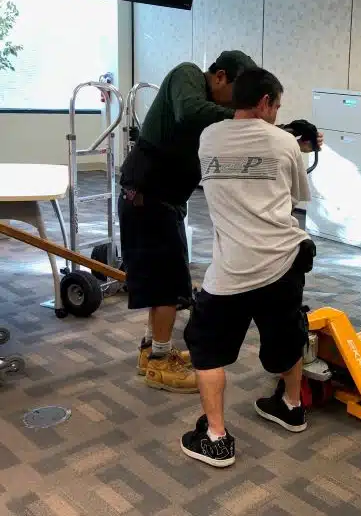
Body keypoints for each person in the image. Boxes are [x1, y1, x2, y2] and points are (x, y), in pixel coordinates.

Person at [119, 50, 321, 393]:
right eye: (239, 93)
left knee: (162, 282)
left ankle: (153, 351)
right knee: (168, 284)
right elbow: (192, 112)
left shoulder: (215, 124)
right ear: (220, 76)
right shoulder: (187, 76)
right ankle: (159, 361)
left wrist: (285, 136)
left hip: (161, 199)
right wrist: (250, 117)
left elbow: (246, 141)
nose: (239, 103)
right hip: (146, 195)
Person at [180, 67, 314, 468]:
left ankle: (217, 438)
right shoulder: (286, 143)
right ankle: (292, 406)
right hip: (282, 259)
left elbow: (237, 156)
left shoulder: (208, 137)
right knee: (288, 333)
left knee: (206, 349)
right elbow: (296, 197)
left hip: (232, 270)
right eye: (276, 105)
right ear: (264, 102)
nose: (276, 113)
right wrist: (295, 143)